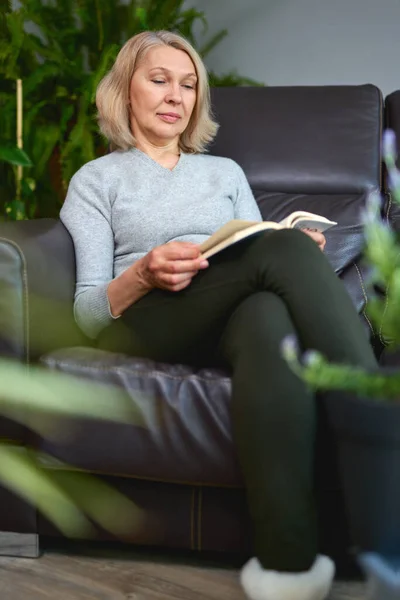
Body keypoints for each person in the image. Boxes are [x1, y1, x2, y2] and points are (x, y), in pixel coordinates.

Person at [60, 30, 377, 600]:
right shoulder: (96, 181)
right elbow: (87, 312)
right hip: (144, 321)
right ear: (123, 90)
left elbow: (256, 246)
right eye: (159, 80)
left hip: (224, 308)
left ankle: (287, 566)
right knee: (279, 254)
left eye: (188, 85)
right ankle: (377, 414)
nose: (175, 96)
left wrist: (292, 243)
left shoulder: (225, 173)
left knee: (266, 315)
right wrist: (144, 273)